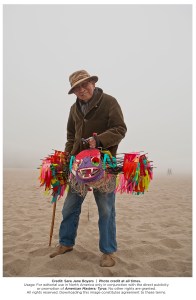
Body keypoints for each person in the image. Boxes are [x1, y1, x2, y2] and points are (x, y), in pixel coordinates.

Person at [50, 70, 127, 267]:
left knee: (106, 210)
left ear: (93, 83)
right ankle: (66, 243)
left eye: (85, 84)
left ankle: (108, 252)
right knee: (69, 207)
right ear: (74, 91)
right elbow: (70, 135)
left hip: (103, 165)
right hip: (77, 165)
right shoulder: (73, 109)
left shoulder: (109, 102)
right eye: (77, 87)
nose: (82, 89)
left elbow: (120, 129)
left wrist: (99, 139)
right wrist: (67, 156)